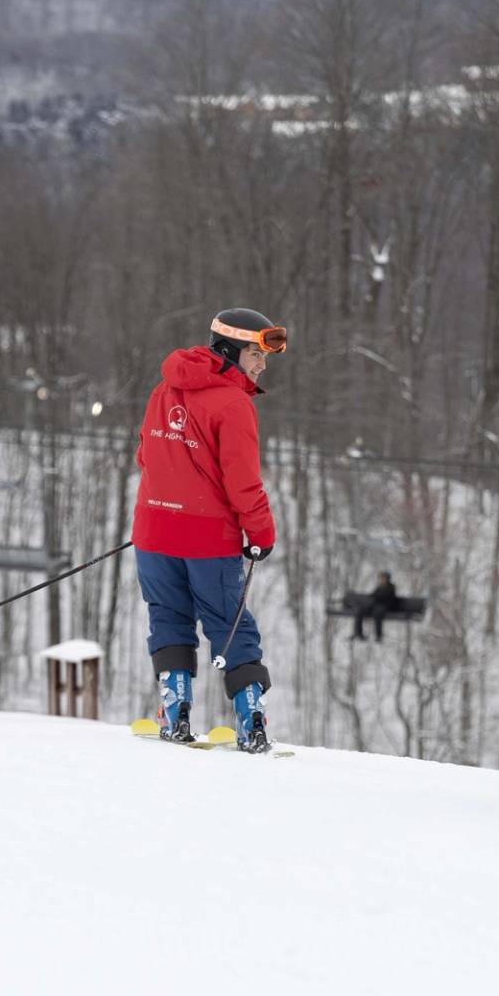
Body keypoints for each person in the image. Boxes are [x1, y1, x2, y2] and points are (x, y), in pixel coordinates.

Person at [131, 307, 285, 752]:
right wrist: (261, 534)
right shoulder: (233, 403)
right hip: (205, 538)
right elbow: (243, 483)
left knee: (168, 615)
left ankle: (174, 713)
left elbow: (146, 457)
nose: (262, 363)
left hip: (154, 531)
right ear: (231, 348)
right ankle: (251, 720)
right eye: (257, 353)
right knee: (228, 623)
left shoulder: (164, 389)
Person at [350, 570, 401, 642]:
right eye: (381, 578)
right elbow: (373, 595)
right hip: (375, 605)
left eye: (383, 578)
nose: (382, 580)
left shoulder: (391, 587)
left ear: (387, 579)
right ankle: (358, 633)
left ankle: (378, 636)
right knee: (359, 611)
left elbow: (385, 597)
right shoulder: (380, 587)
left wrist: (376, 597)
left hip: (385, 607)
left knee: (377, 614)